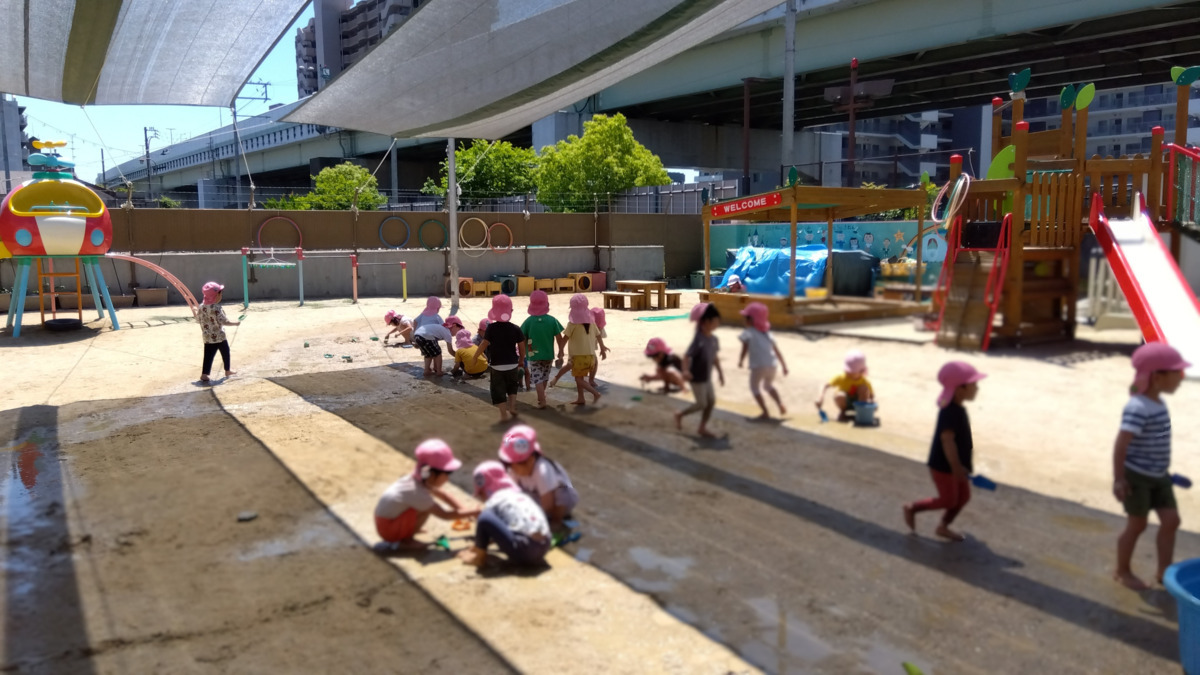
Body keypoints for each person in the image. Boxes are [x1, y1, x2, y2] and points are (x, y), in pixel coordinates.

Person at [1112, 342, 1189, 590]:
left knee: (1171, 520)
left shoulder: (1157, 403)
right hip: (1137, 477)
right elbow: (1121, 445)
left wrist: (1165, 471)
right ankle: (1122, 571)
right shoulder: (1138, 408)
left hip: (1158, 475)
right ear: (1157, 377)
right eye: (1177, 373)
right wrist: (1119, 479)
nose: (1181, 378)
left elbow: (1156, 440)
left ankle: (1164, 572)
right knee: (1137, 525)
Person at [902, 361, 985, 542]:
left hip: (957, 465)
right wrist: (956, 467)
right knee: (949, 500)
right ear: (960, 388)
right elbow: (947, 440)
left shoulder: (959, 408)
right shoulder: (949, 411)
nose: (977, 388)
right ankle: (912, 508)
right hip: (943, 465)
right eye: (974, 384)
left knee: (963, 497)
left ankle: (943, 526)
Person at [374, 439, 478, 550]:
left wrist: (465, 510)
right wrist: (476, 512)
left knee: (426, 505)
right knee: (427, 506)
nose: (448, 478)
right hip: (388, 530)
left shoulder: (420, 479)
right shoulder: (416, 491)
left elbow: (444, 495)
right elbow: (445, 515)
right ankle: (405, 541)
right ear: (432, 474)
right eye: (447, 473)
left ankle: (410, 530)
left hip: (388, 522)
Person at [459, 460, 551, 568]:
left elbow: (486, 522)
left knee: (484, 517)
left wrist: (479, 547)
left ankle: (479, 557)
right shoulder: (520, 496)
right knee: (503, 520)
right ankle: (479, 549)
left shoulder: (495, 500)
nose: (481, 497)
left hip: (525, 552)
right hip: (545, 545)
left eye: (480, 493)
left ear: (486, 490)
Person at [498, 425, 579, 536]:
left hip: (556, 500)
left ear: (530, 460)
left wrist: (529, 519)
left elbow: (548, 504)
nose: (510, 468)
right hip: (536, 495)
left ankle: (556, 520)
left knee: (562, 492)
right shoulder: (514, 468)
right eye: (508, 464)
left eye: (513, 465)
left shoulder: (542, 471)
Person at [472, 295, 526, 422]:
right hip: (512, 364)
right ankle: (512, 407)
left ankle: (503, 414)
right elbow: (522, 346)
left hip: (497, 365)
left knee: (498, 390)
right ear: (510, 311)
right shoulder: (515, 328)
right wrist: (521, 359)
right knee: (512, 386)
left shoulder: (491, 328)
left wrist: (475, 357)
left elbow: (484, 344)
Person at [674, 302, 724, 438]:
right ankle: (680, 414)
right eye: (715, 321)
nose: (717, 323)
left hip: (706, 377)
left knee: (711, 402)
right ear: (705, 322)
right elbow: (686, 356)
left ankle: (702, 427)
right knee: (702, 403)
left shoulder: (713, 339)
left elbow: (715, 358)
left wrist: (720, 373)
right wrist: (685, 371)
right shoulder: (699, 340)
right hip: (696, 377)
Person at [550, 294, 607, 405]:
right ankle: (581, 398)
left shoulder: (572, 325)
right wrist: (602, 348)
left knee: (578, 379)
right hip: (591, 357)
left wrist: (560, 351)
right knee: (579, 377)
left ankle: (595, 393)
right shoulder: (592, 323)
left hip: (578, 357)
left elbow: (564, 339)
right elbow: (598, 335)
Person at [737, 302, 789, 419]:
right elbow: (777, 351)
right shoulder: (768, 333)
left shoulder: (748, 332)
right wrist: (784, 366)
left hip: (758, 366)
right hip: (772, 364)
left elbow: (744, 349)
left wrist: (741, 361)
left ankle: (765, 412)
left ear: (751, 320)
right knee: (768, 386)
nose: (744, 321)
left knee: (754, 388)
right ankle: (780, 403)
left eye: (745, 318)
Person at [519, 290, 564, 409]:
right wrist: (561, 351)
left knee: (537, 378)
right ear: (546, 304)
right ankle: (542, 395)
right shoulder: (552, 320)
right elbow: (559, 337)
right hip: (548, 354)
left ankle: (542, 399)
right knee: (544, 377)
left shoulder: (529, 321)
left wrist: (523, 353)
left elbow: (521, 337)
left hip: (533, 354)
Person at [197, 281, 240, 384]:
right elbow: (224, 321)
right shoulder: (216, 308)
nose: (221, 295)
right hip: (219, 337)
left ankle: (204, 374)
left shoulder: (201, 307)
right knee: (225, 352)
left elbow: (198, 319)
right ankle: (227, 370)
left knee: (208, 355)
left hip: (207, 337)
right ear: (215, 295)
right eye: (220, 294)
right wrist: (235, 323)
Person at [815, 349, 874, 422]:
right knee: (839, 395)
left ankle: (860, 413)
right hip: (845, 402)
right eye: (847, 371)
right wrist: (820, 397)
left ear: (861, 372)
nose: (847, 373)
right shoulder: (841, 377)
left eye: (851, 372)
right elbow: (825, 385)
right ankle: (843, 412)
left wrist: (872, 403)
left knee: (863, 388)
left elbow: (872, 396)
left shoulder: (864, 382)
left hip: (859, 404)